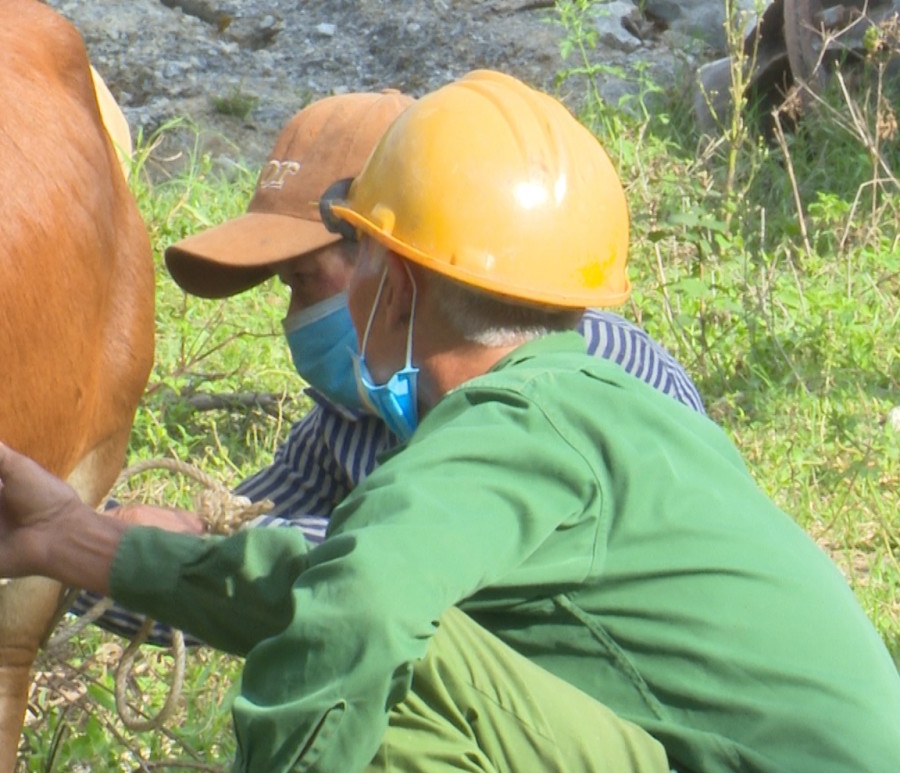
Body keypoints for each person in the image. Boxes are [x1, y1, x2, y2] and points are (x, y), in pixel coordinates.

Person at [0, 70, 900, 773]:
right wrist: (80, 541)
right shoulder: (588, 402)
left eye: (346, 262)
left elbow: (352, 609)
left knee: (387, 674)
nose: (309, 310)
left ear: (395, 283)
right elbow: (331, 576)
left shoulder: (520, 424)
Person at [72, 87, 705, 645]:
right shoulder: (355, 419)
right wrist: (56, 543)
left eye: (305, 280)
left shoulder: (594, 376)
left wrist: (181, 551)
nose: (293, 317)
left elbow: (373, 580)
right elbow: (219, 583)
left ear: (394, 266)